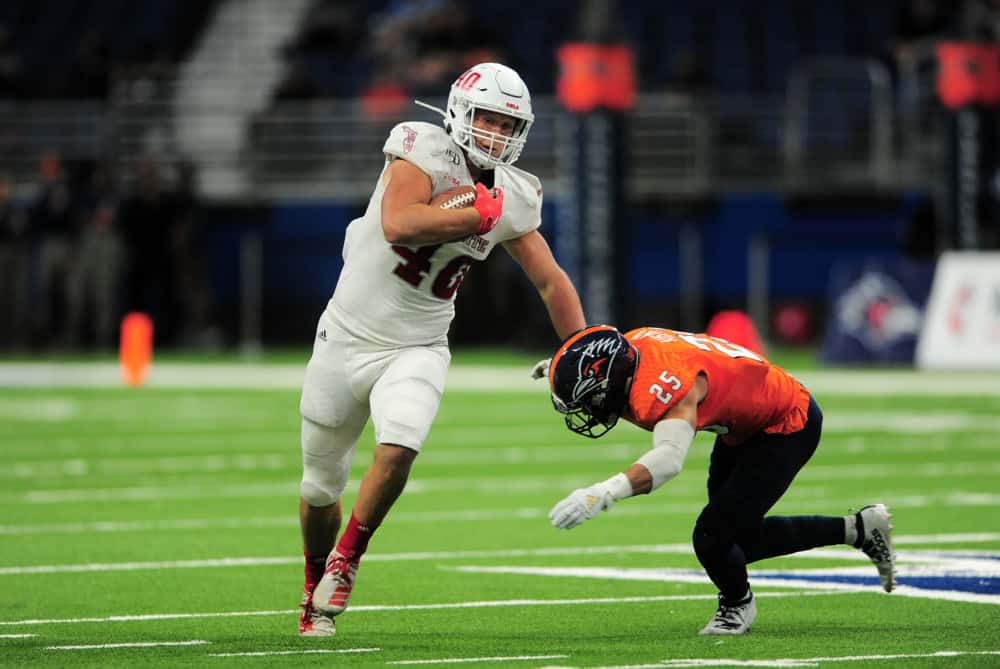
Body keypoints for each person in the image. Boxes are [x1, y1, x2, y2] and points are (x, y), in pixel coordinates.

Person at [297, 62, 586, 637]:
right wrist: (472, 212)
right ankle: (311, 584)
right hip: (347, 334)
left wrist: (584, 345)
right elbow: (400, 224)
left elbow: (551, 280)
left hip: (420, 341)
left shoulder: (515, 194)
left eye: (508, 125)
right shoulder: (420, 146)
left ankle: (347, 558)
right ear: (459, 111)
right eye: (487, 119)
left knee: (401, 442)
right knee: (318, 487)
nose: (496, 135)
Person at [543, 324, 896, 636]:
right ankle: (861, 529)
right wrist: (559, 374)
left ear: (608, 381)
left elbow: (667, 460)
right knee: (734, 539)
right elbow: (590, 349)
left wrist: (603, 493)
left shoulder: (666, 386)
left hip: (786, 423)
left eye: (588, 399)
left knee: (712, 536)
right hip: (744, 424)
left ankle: (737, 605)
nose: (587, 409)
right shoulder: (633, 347)